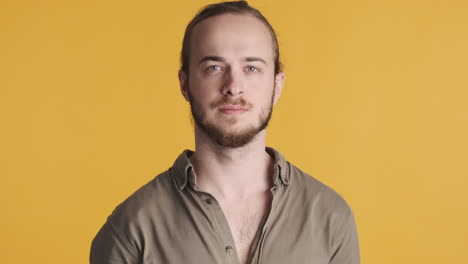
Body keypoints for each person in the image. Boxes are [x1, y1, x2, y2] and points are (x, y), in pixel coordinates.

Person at [90, 1, 360, 263]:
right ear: (185, 84)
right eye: (214, 68)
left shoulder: (330, 217)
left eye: (251, 68)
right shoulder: (131, 228)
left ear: (277, 86)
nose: (233, 86)